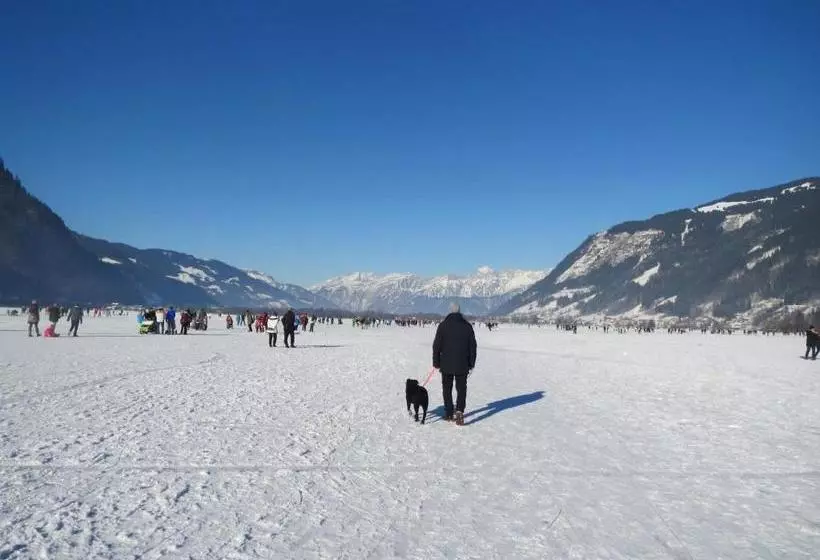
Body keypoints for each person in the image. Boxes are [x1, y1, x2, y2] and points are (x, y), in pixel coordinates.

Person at [432, 303, 477, 426]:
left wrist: (436, 362)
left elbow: (436, 346)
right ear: (459, 312)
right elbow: (472, 346)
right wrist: (471, 363)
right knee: (461, 389)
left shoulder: (443, 326)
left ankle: (449, 413)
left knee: (447, 389)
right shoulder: (467, 326)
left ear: (449, 312)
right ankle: (460, 411)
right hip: (462, 364)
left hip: (446, 364)